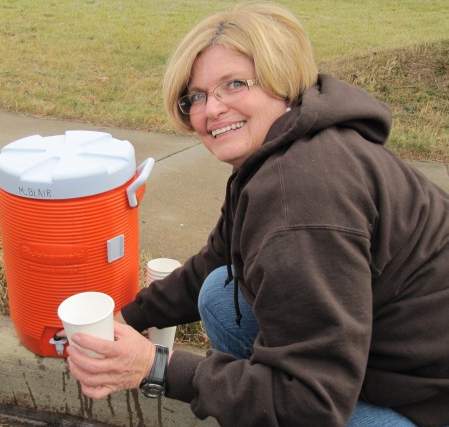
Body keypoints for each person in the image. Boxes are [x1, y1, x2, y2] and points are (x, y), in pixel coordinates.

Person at [63, 3, 449, 426]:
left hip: (427, 395)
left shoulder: (299, 197)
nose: (211, 110)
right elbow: (217, 257)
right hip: (382, 346)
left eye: (234, 84)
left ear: (282, 81)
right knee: (217, 289)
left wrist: (155, 367)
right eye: (197, 96)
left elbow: (312, 403)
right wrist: (128, 318)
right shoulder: (284, 149)